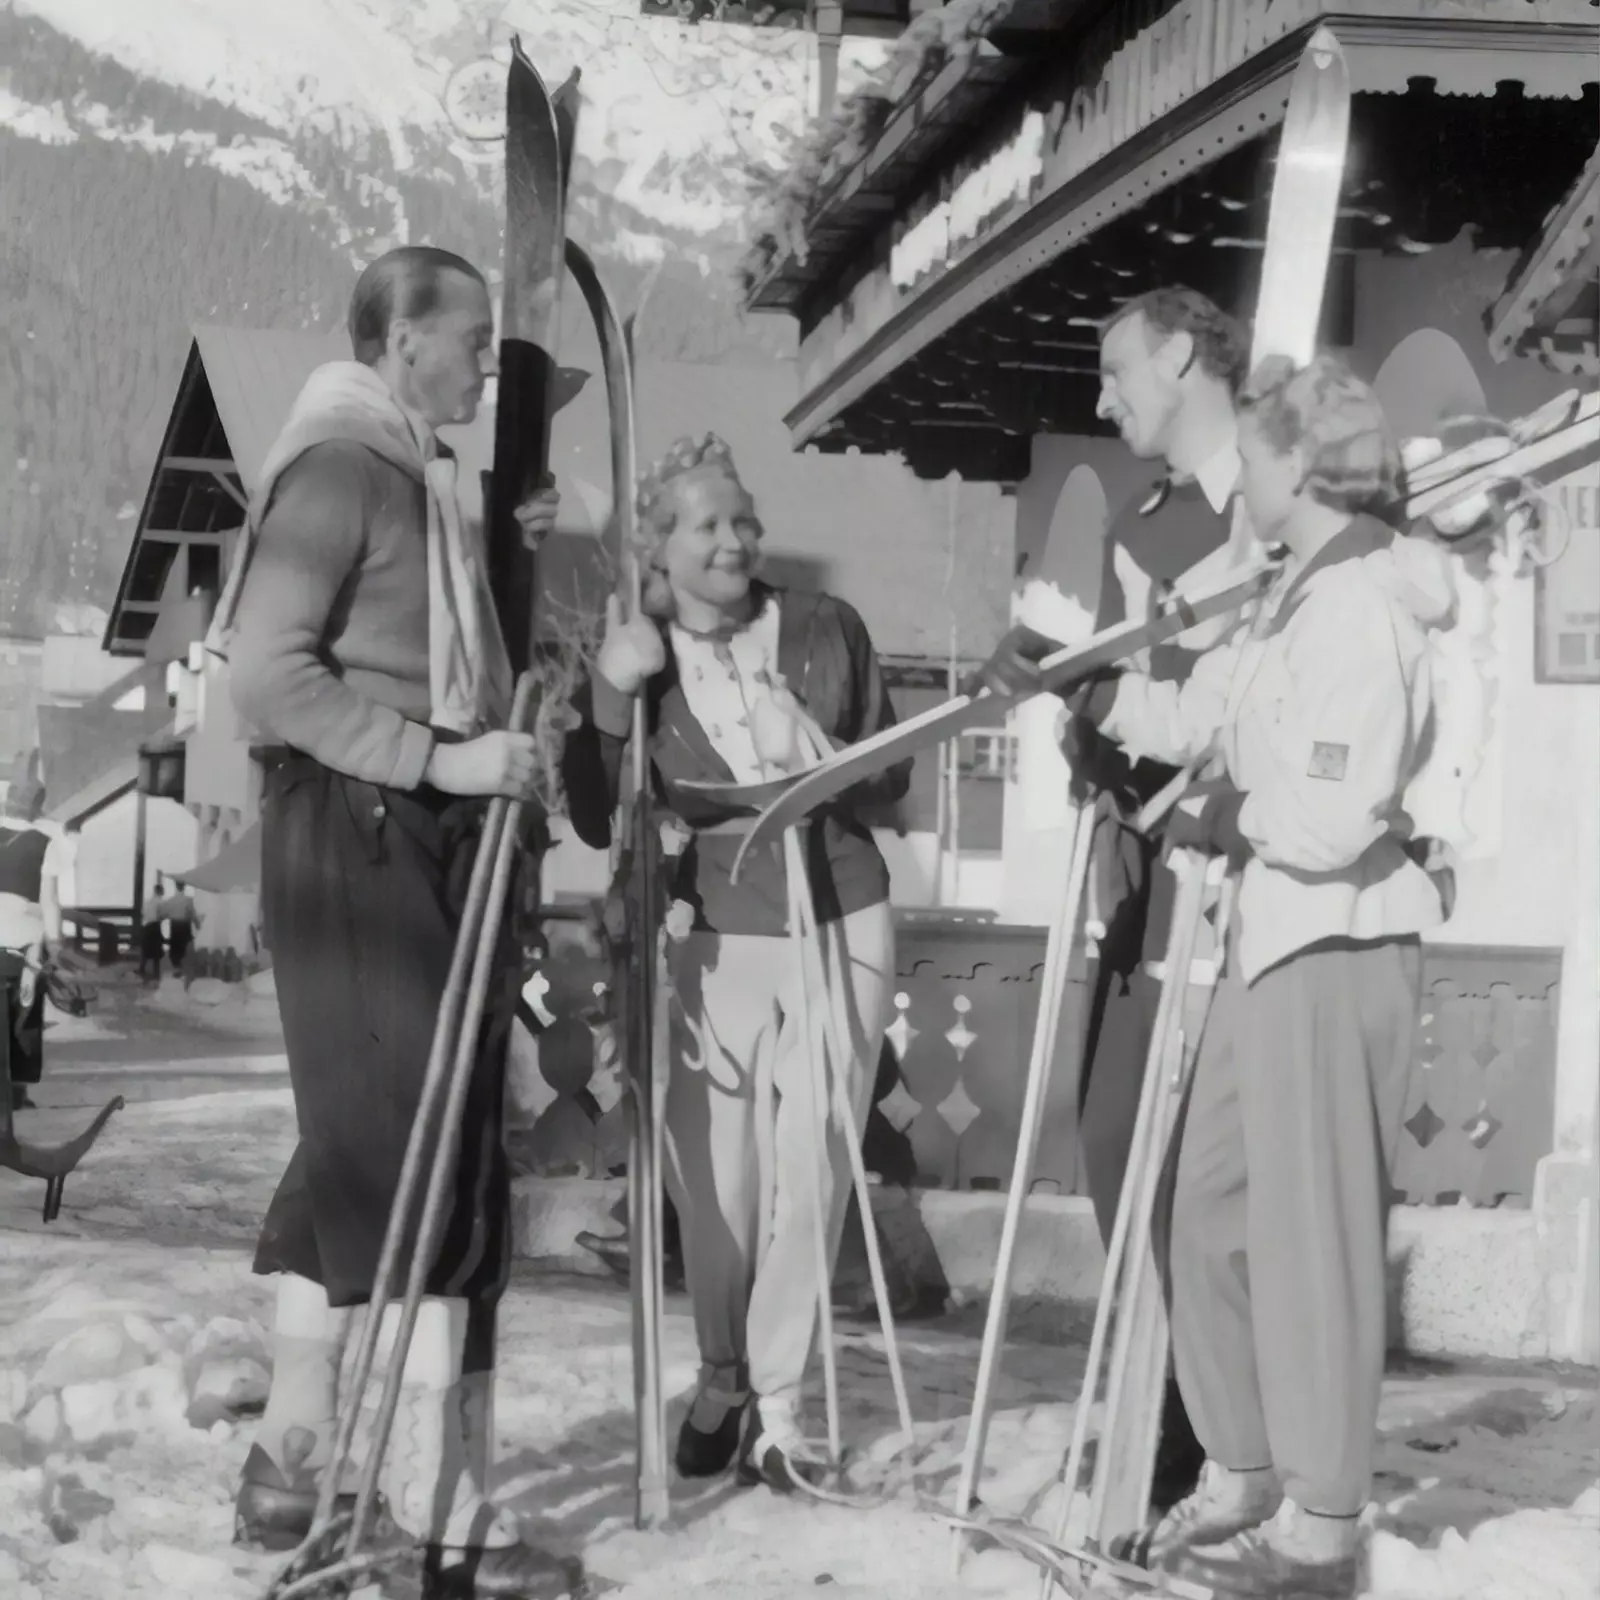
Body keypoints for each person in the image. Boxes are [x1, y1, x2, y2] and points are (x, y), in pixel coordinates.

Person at [1002, 352, 1453, 1597]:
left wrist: (1226, 816)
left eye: (1252, 454)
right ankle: (1244, 1466)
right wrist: (1089, 691)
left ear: (1299, 465)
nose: (1236, 475)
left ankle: (1321, 1518)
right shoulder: (1287, 592)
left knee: (1310, 1236)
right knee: (1202, 1214)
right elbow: (1206, 709)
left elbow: (1328, 808)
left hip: (1339, 939)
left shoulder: (1363, 602)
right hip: (1274, 940)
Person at [217, 243, 561, 1592]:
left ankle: (292, 1459)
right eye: (470, 337)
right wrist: (439, 762)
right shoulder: (341, 469)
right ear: (398, 338)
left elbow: (430, 653)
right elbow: (265, 670)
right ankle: (432, 1505)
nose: (487, 359)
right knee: (415, 1158)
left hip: (404, 837)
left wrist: (496, 560)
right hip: (356, 832)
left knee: (362, 1147)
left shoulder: (415, 478)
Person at [562, 432, 911, 1492]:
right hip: (704, 933)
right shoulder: (638, 655)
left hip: (838, 917)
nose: (736, 539)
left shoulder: (824, 627)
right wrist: (610, 699)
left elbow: (889, 781)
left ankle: (780, 1404)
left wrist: (814, 745)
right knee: (718, 1189)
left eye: (744, 517)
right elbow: (590, 810)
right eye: (708, 524)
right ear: (658, 549)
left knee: (808, 1174)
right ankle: (721, 1372)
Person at [984, 284, 1248, 1505]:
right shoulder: (1150, 522)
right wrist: (1083, 725)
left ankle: (1193, 1417)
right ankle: (1164, 1391)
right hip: (1142, 873)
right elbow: (1146, 708)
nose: (1101, 398)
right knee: (1110, 1141)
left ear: (1185, 353)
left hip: (1234, 880)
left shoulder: (1268, 506)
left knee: (1198, 1174)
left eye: (1116, 370)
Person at [0, 776, 67, 1112]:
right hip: (22, 944)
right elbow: (50, 901)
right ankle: (17, 1093)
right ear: (37, 807)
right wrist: (54, 947)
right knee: (25, 1016)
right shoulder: (46, 843)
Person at [160, 879, 201, 978]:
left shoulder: (170, 901)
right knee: (186, 946)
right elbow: (192, 914)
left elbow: (164, 915)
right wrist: (197, 924)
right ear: (184, 886)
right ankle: (185, 968)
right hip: (184, 925)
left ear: (175, 886)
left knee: (175, 947)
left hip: (174, 925)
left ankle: (177, 967)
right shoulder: (188, 900)